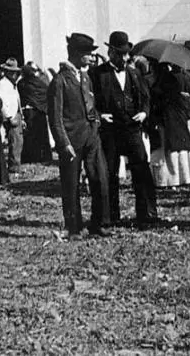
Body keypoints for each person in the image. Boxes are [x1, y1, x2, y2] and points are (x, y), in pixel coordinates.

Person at [93, 31, 159, 228]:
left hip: (132, 129)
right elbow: (89, 101)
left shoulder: (134, 73)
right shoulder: (97, 74)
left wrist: (144, 113)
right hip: (110, 131)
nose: (124, 58)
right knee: (110, 173)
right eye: (120, 54)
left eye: (126, 54)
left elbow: (146, 98)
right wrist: (99, 115)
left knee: (141, 169)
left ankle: (146, 213)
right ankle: (111, 216)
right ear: (111, 52)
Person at [47, 33, 111, 238]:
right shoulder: (59, 81)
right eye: (88, 54)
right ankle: (73, 227)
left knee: (100, 179)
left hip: (92, 136)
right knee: (71, 184)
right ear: (76, 54)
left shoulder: (85, 76)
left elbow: (89, 105)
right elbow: (55, 117)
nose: (92, 58)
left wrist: (99, 118)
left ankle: (98, 224)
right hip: (72, 141)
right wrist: (63, 142)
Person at [149, 62, 190, 188]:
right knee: (182, 146)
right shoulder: (183, 77)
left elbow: (158, 99)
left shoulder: (162, 81)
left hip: (168, 116)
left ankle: (172, 180)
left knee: (170, 147)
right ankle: (187, 177)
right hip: (180, 116)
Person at [18, 62, 52, 163]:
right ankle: (44, 157)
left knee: (30, 136)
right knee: (41, 135)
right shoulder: (39, 82)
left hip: (29, 112)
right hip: (39, 111)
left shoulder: (21, 83)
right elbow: (45, 92)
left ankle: (31, 157)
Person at [0, 58, 24, 176]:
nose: (15, 74)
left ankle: (16, 165)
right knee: (14, 141)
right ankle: (13, 167)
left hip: (16, 114)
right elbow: (2, 102)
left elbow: (17, 100)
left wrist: (21, 116)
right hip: (11, 116)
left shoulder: (12, 84)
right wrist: (9, 117)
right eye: (12, 71)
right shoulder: (3, 85)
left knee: (18, 141)